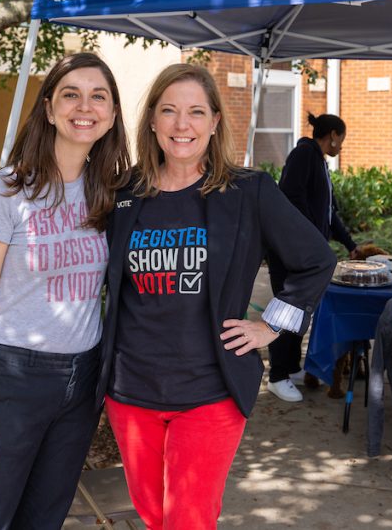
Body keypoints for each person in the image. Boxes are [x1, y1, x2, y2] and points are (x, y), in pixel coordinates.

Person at [98, 63, 336, 530]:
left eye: (195, 112)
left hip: (210, 390)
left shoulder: (248, 192)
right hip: (130, 391)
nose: (181, 125)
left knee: (188, 520)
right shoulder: (124, 193)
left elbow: (315, 260)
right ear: (151, 121)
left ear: (214, 122)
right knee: (152, 516)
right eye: (168, 111)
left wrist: (272, 324)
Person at [0, 53, 131, 529]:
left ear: (112, 114)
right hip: (13, 378)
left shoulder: (110, 194)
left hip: (82, 381)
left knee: (44, 519)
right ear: (49, 108)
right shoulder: (7, 191)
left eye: (99, 96)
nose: (85, 106)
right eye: (71, 94)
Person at [266, 112, 360, 402]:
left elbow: (328, 214)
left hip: (307, 255)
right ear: (332, 134)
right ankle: (277, 376)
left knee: (299, 310)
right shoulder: (303, 154)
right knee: (285, 308)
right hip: (290, 252)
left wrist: (349, 244)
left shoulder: (318, 161)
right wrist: (310, 240)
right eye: (340, 140)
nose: (340, 147)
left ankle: (291, 367)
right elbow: (290, 197)